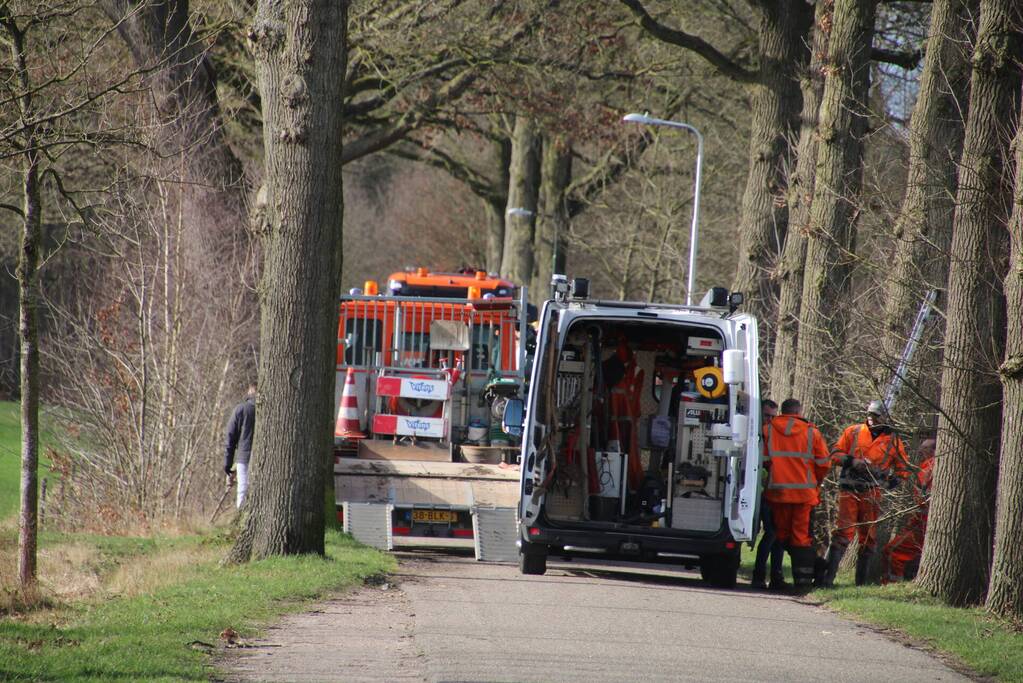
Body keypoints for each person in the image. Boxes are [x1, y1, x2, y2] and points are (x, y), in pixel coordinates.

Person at [820, 400, 910, 587]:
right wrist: (852, 462)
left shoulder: (893, 441)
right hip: (849, 490)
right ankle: (826, 580)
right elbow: (834, 455)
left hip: (872, 493)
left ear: (885, 418)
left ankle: (859, 585)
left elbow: (903, 470)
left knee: (868, 538)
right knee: (843, 534)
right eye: (869, 414)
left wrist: (890, 481)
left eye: (875, 416)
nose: (871, 419)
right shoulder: (852, 431)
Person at [762, 398, 831, 591]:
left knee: (783, 536)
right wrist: (815, 482)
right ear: (799, 412)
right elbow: (824, 463)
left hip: (778, 493)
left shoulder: (768, 430)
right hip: (804, 495)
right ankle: (805, 582)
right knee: (800, 538)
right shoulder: (812, 432)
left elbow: (764, 459)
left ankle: (810, 574)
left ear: (782, 412)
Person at [882, 438, 935, 583]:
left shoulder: (930, 467)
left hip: (923, 524)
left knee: (892, 550)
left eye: (925, 448)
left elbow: (923, 499)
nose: (920, 451)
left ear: (933, 451)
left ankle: (892, 584)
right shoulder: (926, 466)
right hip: (920, 522)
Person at [752, 399, 787, 590]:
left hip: (770, 493)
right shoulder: (755, 434)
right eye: (767, 416)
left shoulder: (773, 435)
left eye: (774, 417)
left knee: (775, 534)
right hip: (757, 494)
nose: (770, 420)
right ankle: (762, 576)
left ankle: (770, 576)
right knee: (770, 534)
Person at [224, 383, 257, 508]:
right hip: (267, 458)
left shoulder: (241, 409)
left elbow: (230, 438)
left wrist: (228, 466)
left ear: (249, 392)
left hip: (244, 457)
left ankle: (242, 517)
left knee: (243, 491)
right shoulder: (271, 410)